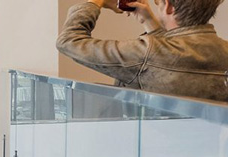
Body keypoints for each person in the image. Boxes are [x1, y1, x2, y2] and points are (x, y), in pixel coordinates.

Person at [57, 0, 228, 103]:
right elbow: (174, 54)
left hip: (153, 153)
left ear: (169, 7)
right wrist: (149, 21)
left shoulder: (146, 53)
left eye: (158, 2)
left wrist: (94, 3)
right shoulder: (224, 50)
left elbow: (69, 41)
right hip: (211, 154)